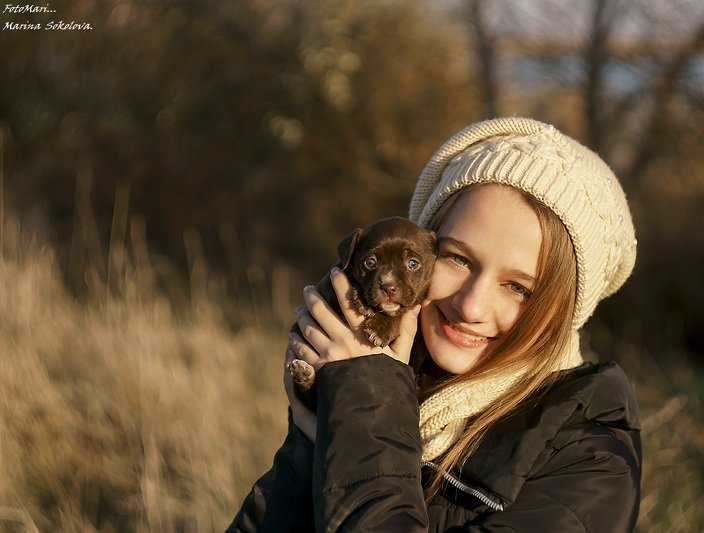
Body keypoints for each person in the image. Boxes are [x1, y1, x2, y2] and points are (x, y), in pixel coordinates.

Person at [227, 117, 642, 532]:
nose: (471, 305)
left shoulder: (591, 464)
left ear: (567, 310)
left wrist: (364, 421)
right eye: (458, 259)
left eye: (518, 288)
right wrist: (312, 447)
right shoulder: (378, 369)